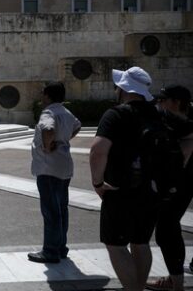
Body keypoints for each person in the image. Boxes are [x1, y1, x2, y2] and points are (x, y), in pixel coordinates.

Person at [89, 66, 162, 291]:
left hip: (119, 189)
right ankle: (138, 287)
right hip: (150, 190)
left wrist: (98, 183)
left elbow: (98, 150)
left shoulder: (117, 114)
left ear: (123, 88)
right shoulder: (155, 113)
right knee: (141, 242)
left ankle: (133, 289)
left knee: (116, 245)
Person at [146, 85, 193, 291]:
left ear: (175, 102)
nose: (160, 103)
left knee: (166, 229)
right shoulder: (174, 121)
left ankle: (176, 283)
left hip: (180, 183)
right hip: (182, 182)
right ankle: (176, 280)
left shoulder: (181, 124)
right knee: (167, 228)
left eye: (163, 99)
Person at [28, 82, 81, 263]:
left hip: (48, 167)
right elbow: (77, 126)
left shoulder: (49, 112)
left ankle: (50, 251)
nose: (41, 97)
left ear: (48, 95)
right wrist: (63, 140)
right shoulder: (66, 112)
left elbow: (48, 129)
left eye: (43, 93)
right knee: (61, 209)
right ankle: (60, 248)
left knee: (51, 211)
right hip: (64, 166)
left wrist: (49, 145)